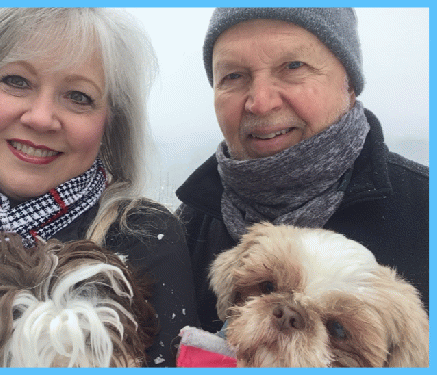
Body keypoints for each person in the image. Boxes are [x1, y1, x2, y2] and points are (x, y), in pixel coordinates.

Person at [0, 8, 198, 367]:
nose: (41, 117)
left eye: (78, 96)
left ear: (109, 124)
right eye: (17, 81)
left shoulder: (141, 236)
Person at [176, 7, 429, 334]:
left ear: (349, 83)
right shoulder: (187, 225)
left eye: (293, 66)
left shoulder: (425, 213)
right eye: (233, 76)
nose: (261, 102)